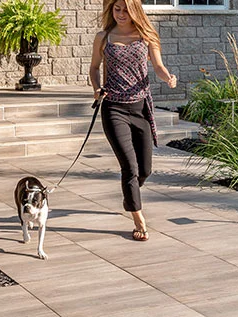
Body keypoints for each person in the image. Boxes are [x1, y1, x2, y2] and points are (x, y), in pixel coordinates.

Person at [88, 0, 177, 241]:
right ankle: (139, 220)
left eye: (126, 9)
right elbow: (94, 68)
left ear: (135, 10)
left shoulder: (147, 36)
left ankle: (130, 194)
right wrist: (97, 89)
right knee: (129, 167)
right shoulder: (104, 37)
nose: (121, 14)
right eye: (117, 9)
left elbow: (157, 66)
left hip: (140, 109)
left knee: (145, 169)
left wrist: (168, 76)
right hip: (114, 108)